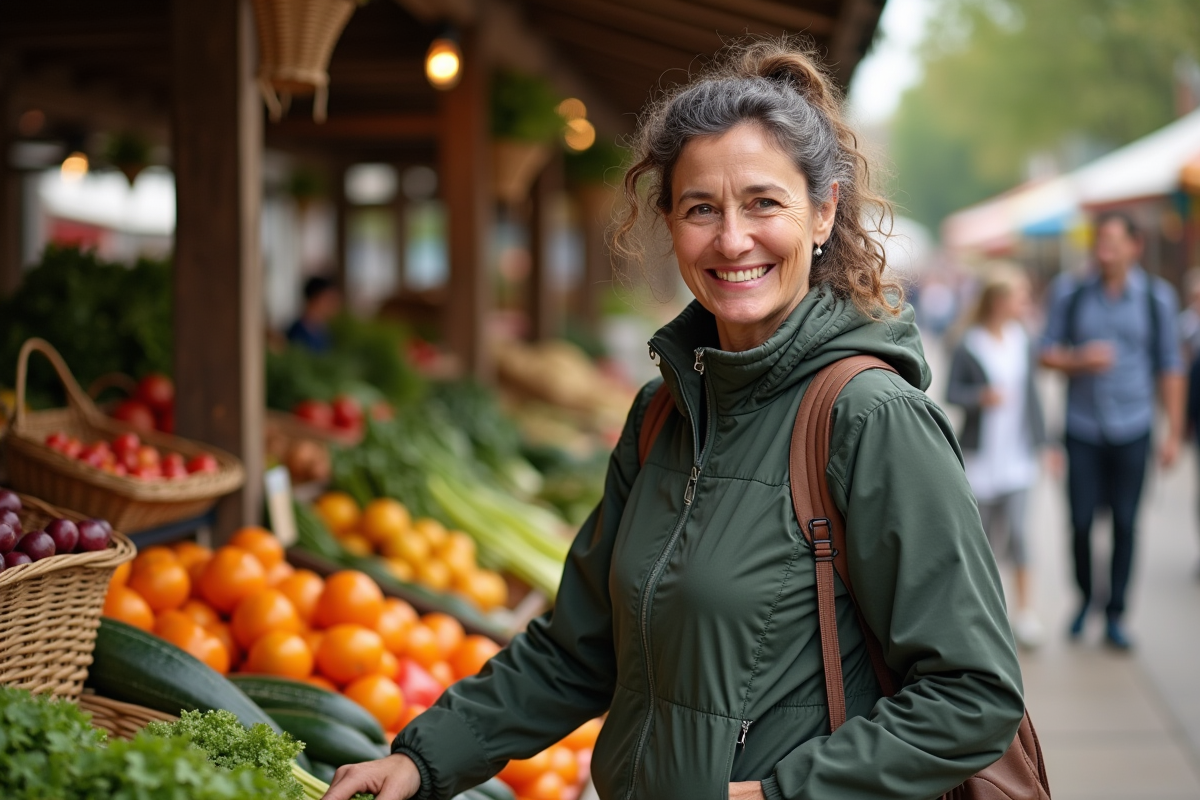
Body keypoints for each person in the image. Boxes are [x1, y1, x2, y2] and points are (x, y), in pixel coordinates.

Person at [324, 40, 1023, 800]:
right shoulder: (663, 412)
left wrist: (779, 796)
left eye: (763, 202)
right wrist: (424, 758)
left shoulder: (871, 418)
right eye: (700, 209)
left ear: (822, 212)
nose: (731, 239)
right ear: (669, 222)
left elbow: (972, 695)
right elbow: (579, 649)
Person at [1040, 212, 1185, 650]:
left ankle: (1117, 614)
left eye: (1113, 241)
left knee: (1126, 523)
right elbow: (1045, 354)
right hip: (1083, 428)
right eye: (1100, 241)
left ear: (1134, 246)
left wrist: (1174, 432)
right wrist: (1079, 360)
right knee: (1080, 523)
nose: (1104, 249)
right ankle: (1086, 597)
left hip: (1134, 426)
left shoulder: (1156, 299)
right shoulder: (1072, 292)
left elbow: (1170, 366)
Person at [946, 268, 1046, 648]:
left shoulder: (1024, 339)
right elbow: (954, 393)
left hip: (1018, 456)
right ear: (999, 300)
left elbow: (1032, 395)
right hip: (981, 458)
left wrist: (1045, 444)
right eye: (1020, 296)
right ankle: (985, 616)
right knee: (982, 541)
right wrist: (980, 398)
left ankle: (1025, 614)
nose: (1026, 304)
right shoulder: (968, 343)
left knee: (1020, 535)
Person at [286, 276, 341, 353]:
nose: (334, 305)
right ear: (316, 299)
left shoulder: (323, 331)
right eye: (330, 299)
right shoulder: (298, 333)